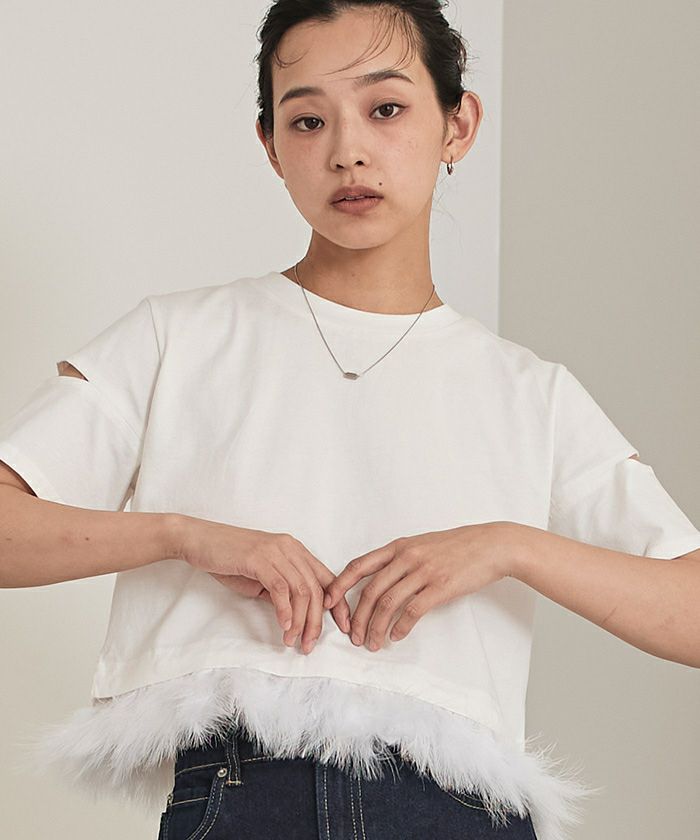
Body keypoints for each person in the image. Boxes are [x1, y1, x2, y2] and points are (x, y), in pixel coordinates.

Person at [1, 2, 699, 839]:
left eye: (387, 107)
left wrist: (510, 545)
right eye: (307, 120)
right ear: (271, 147)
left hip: (460, 810)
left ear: (458, 125)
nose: (348, 150)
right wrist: (184, 535)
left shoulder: (528, 393)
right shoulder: (179, 338)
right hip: (242, 795)